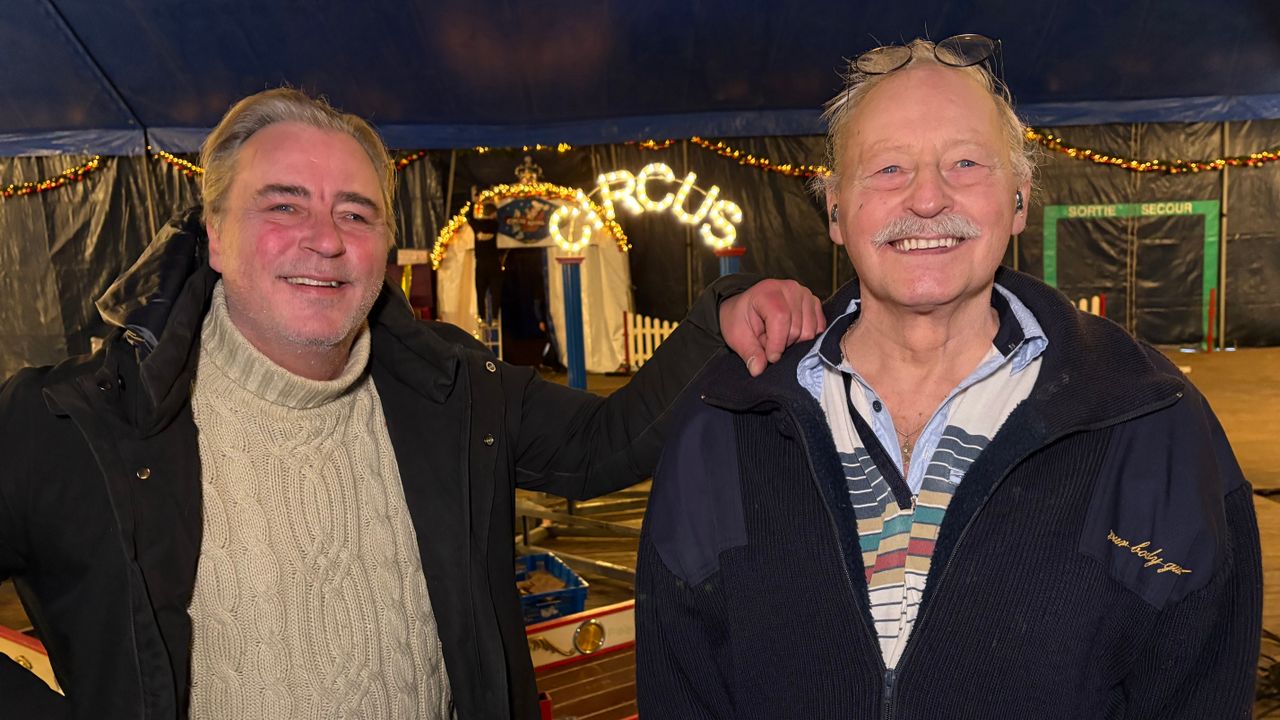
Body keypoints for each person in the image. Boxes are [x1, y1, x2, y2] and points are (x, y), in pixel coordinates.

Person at [0, 88, 825, 719]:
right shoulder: (76, 425)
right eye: (284, 205)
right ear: (215, 235)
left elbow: (603, 442)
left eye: (355, 212)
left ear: (385, 246)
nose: (326, 238)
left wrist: (720, 317)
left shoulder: (452, 391)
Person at [636, 35, 1261, 719]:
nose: (928, 198)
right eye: (888, 168)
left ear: (1019, 200)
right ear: (836, 209)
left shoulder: (1154, 425)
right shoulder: (724, 424)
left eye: (965, 162)